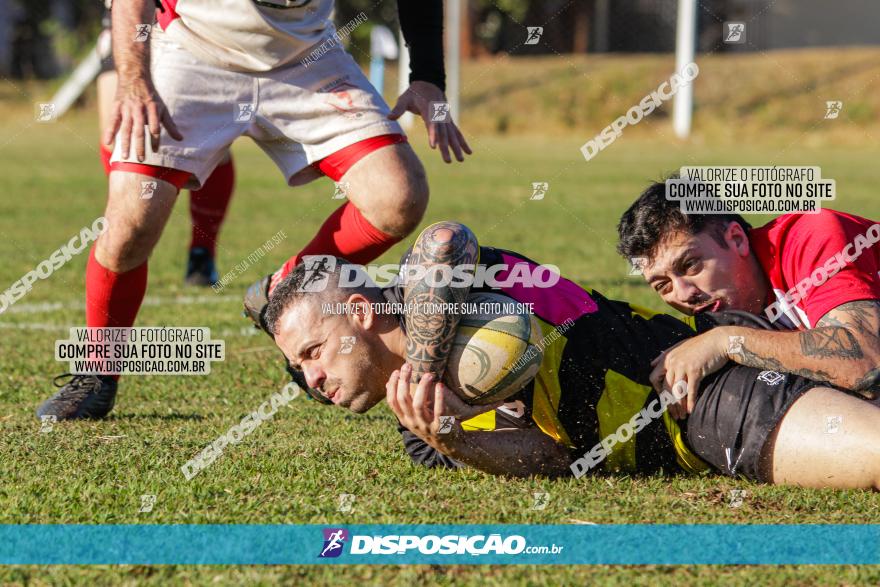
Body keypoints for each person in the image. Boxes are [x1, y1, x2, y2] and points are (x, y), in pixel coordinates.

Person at [37, 0, 469, 420]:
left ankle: (281, 288)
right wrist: (134, 80)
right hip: (191, 50)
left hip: (306, 54)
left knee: (399, 197)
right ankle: (96, 372)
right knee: (129, 226)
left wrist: (428, 76)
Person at [263, 221, 880, 489]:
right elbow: (551, 460)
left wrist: (424, 365)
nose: (311, 378)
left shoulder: (467, 286)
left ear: (363, 316)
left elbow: (444, 241)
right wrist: (453, 436)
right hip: (697, 445)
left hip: (705, 399)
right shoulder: (420, 424)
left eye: (313, 353)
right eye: (300, 369)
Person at [617, 179, 880, 417]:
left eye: (691, 265)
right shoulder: (727, 309)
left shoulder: (811, 236)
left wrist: (727, 342)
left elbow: (865, 363)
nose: (684, 294)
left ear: (736, 239)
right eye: (663, 286)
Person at [96, 3, 234, 286]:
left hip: (194, 27)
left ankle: (202, 252)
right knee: (118, 138)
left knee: (209, 147)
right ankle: (128, 233)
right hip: (129, 20)